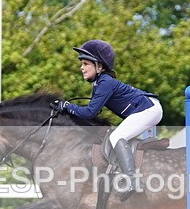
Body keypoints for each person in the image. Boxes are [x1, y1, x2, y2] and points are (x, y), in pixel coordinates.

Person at [53, 39, 163, 200]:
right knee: (117, 136)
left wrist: (67, 106)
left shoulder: (105, 83)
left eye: (86, 64)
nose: (81, 67)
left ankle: (133, 181)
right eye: (82, 64)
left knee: (117, 136)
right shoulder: (99, 83)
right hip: (146, 107)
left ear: (100, 66)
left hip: (149, 110)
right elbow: (94, 111)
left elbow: (89, 113)